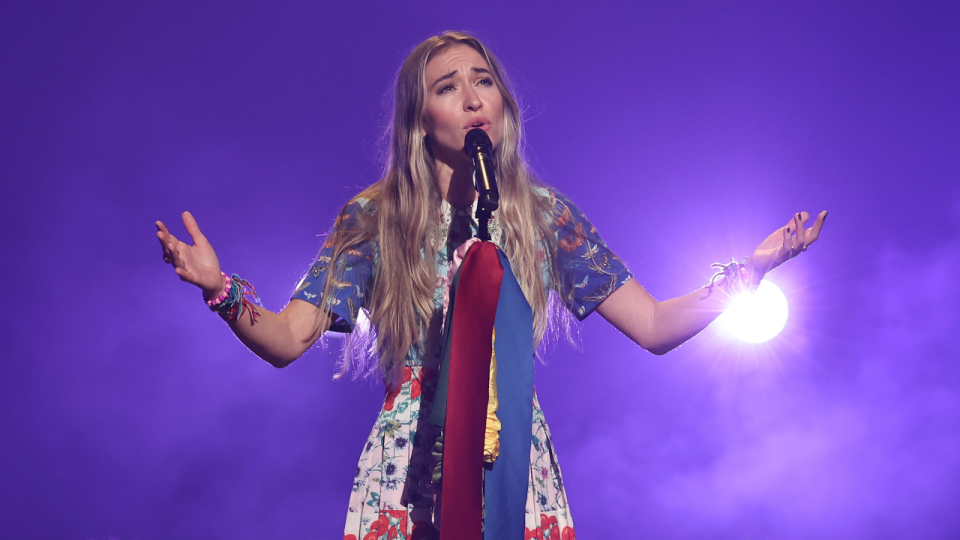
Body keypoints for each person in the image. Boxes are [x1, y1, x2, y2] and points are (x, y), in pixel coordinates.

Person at [156, 31, 826, 540]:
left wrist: (754, 269)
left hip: (511, 457)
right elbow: (286, 337)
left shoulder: (544, 216)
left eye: (484, 81)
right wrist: (219, 289)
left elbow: (653, 326)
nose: (473, 96)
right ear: (420, 119)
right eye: (447, 87)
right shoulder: (375, 217)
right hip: (409, 461)